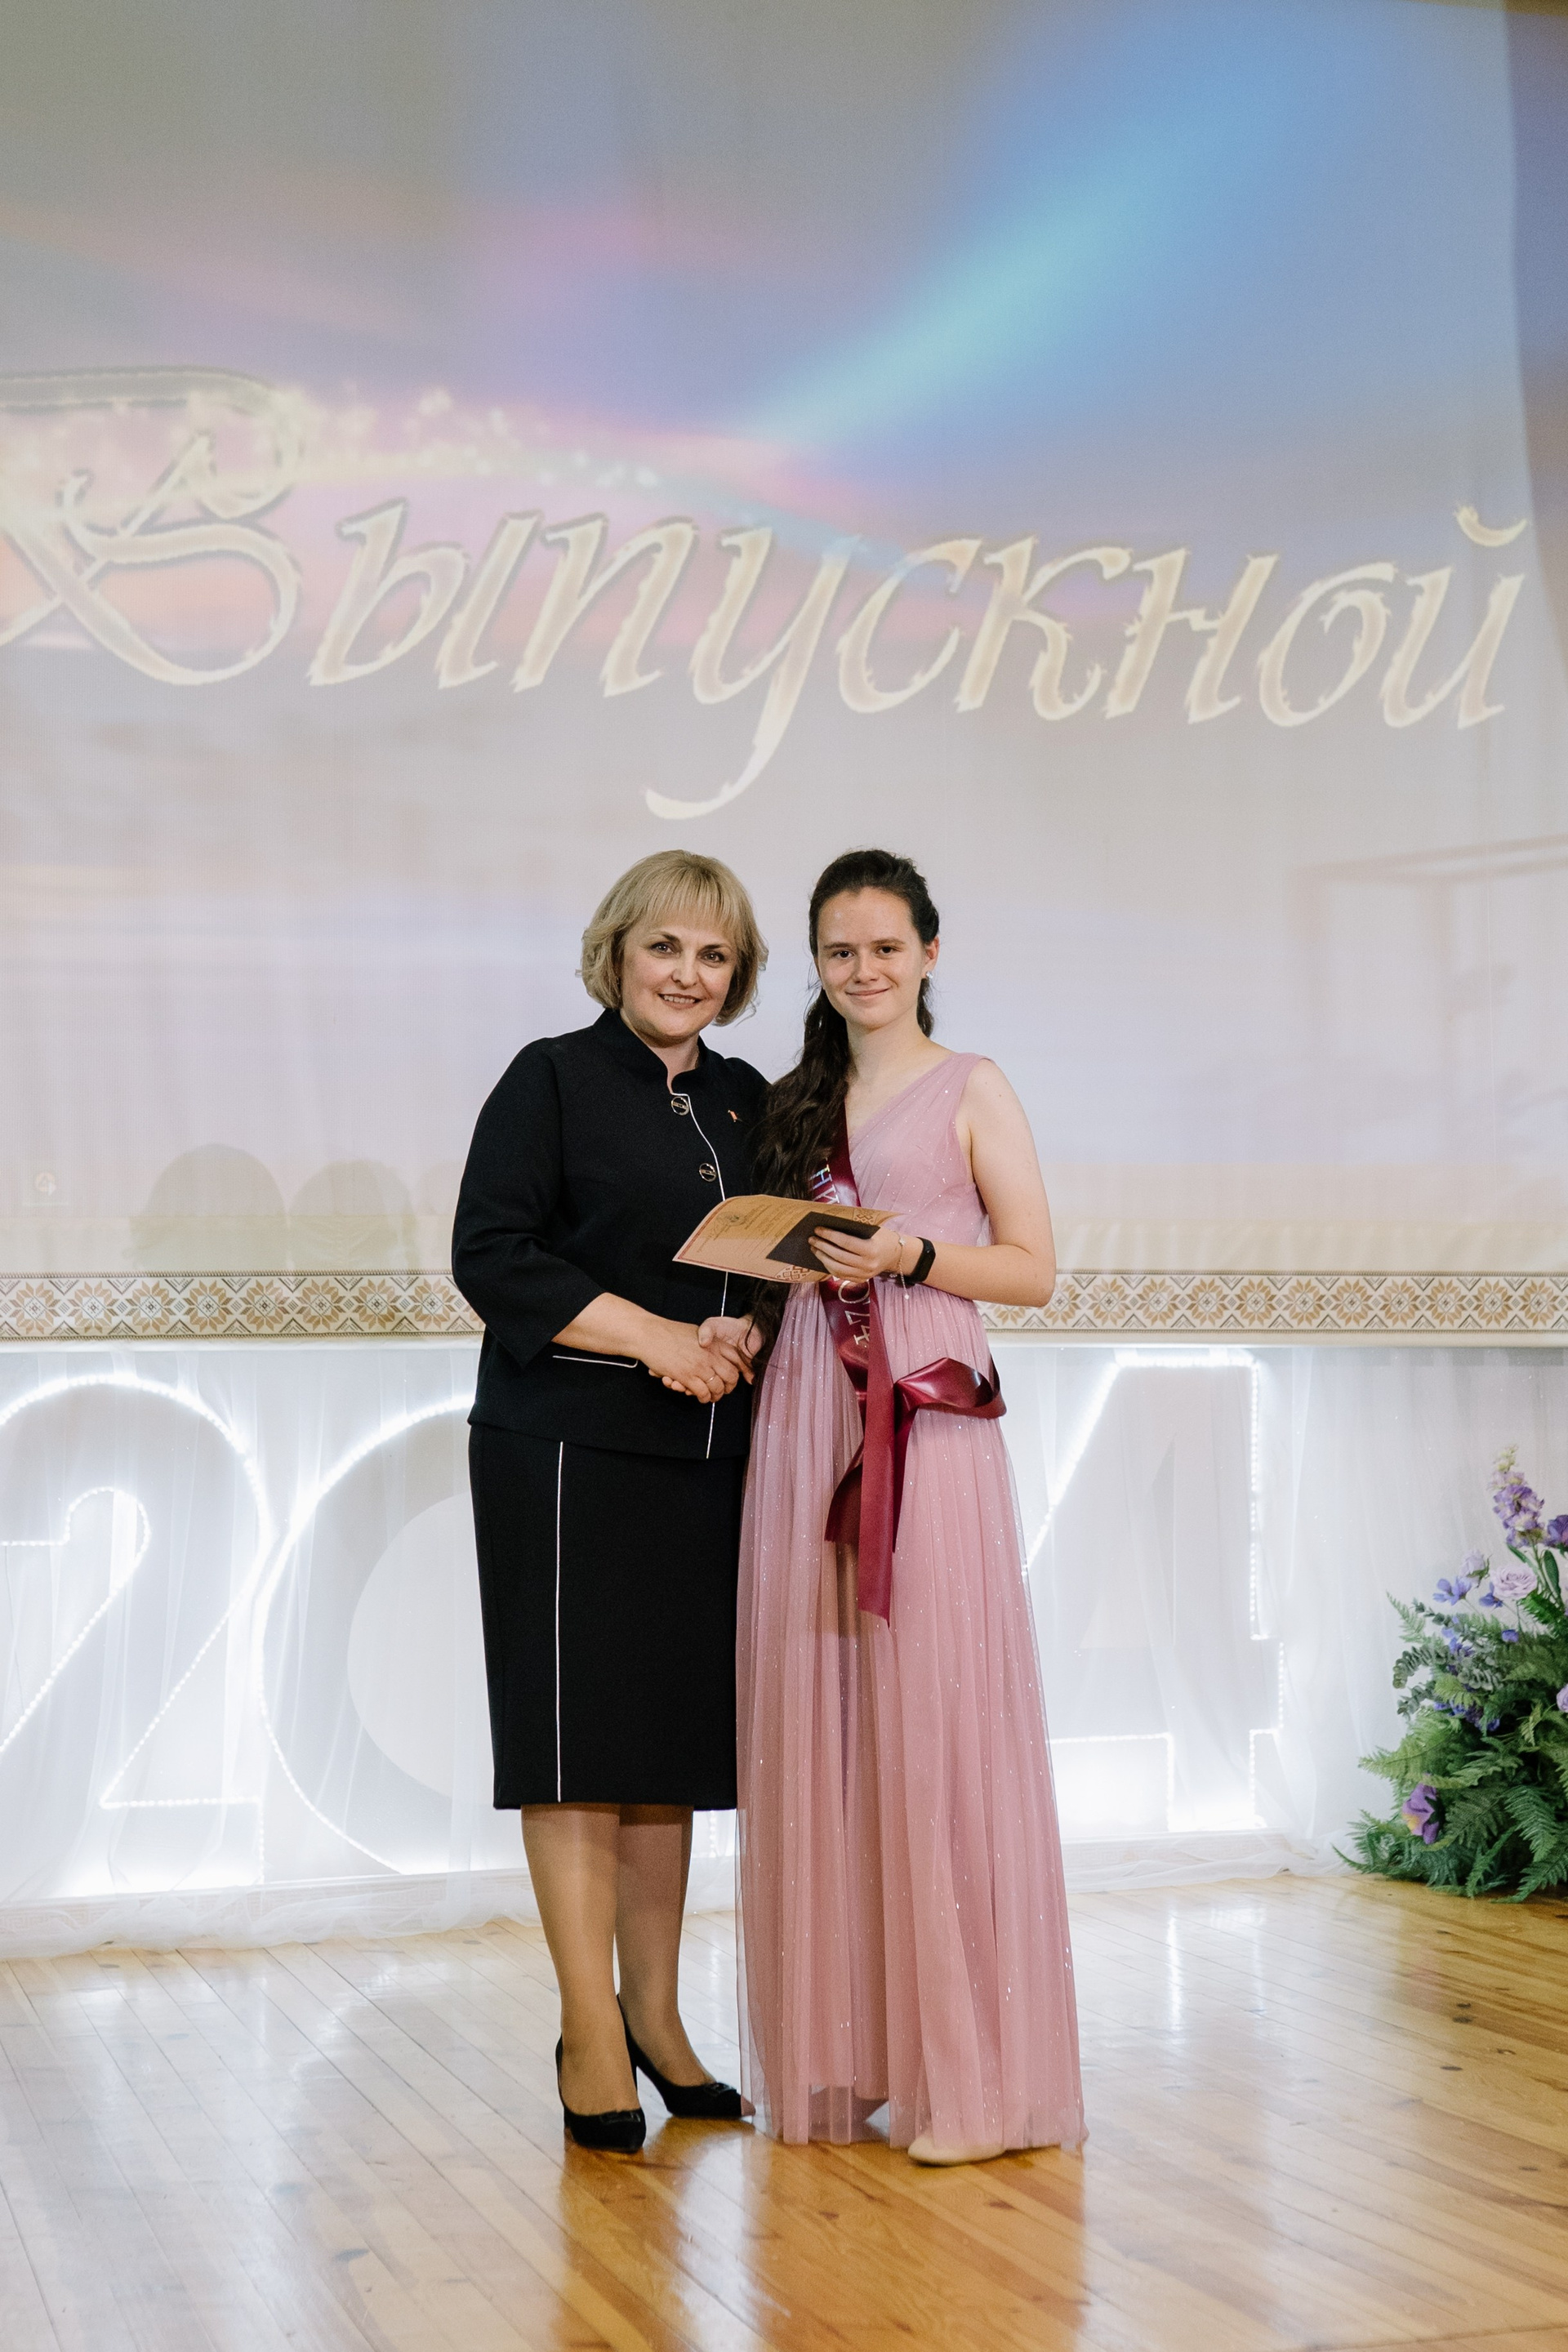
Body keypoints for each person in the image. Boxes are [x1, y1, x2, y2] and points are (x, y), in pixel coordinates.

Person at [730, 847, 1084, 2164]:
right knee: (826, 1709)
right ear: (818, 964)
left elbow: (1034, 1268)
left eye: (886, 946)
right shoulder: (794, 1101)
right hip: (811, 1402)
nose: (864, 969)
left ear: (931, 952)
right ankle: (857, 2051)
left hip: (921, 1403)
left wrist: (911, 1252)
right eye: (841, 951)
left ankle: (972, 2073)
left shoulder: (972, 1085)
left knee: (934, 1707)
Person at [452, 849, 767, 2153]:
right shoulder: (550, 1078)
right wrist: (657, 1338)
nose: (688, 974)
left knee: (663, 1760)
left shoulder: (748, 1100)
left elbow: (766, 1259)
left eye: (715, 955)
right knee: (579, 1755)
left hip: (705, 1456)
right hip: (565, 1453)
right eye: (666, 948)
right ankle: (590, 2029)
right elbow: (492, 1254)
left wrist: (741, 1331)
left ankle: (660, 2019)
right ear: (617, 953)